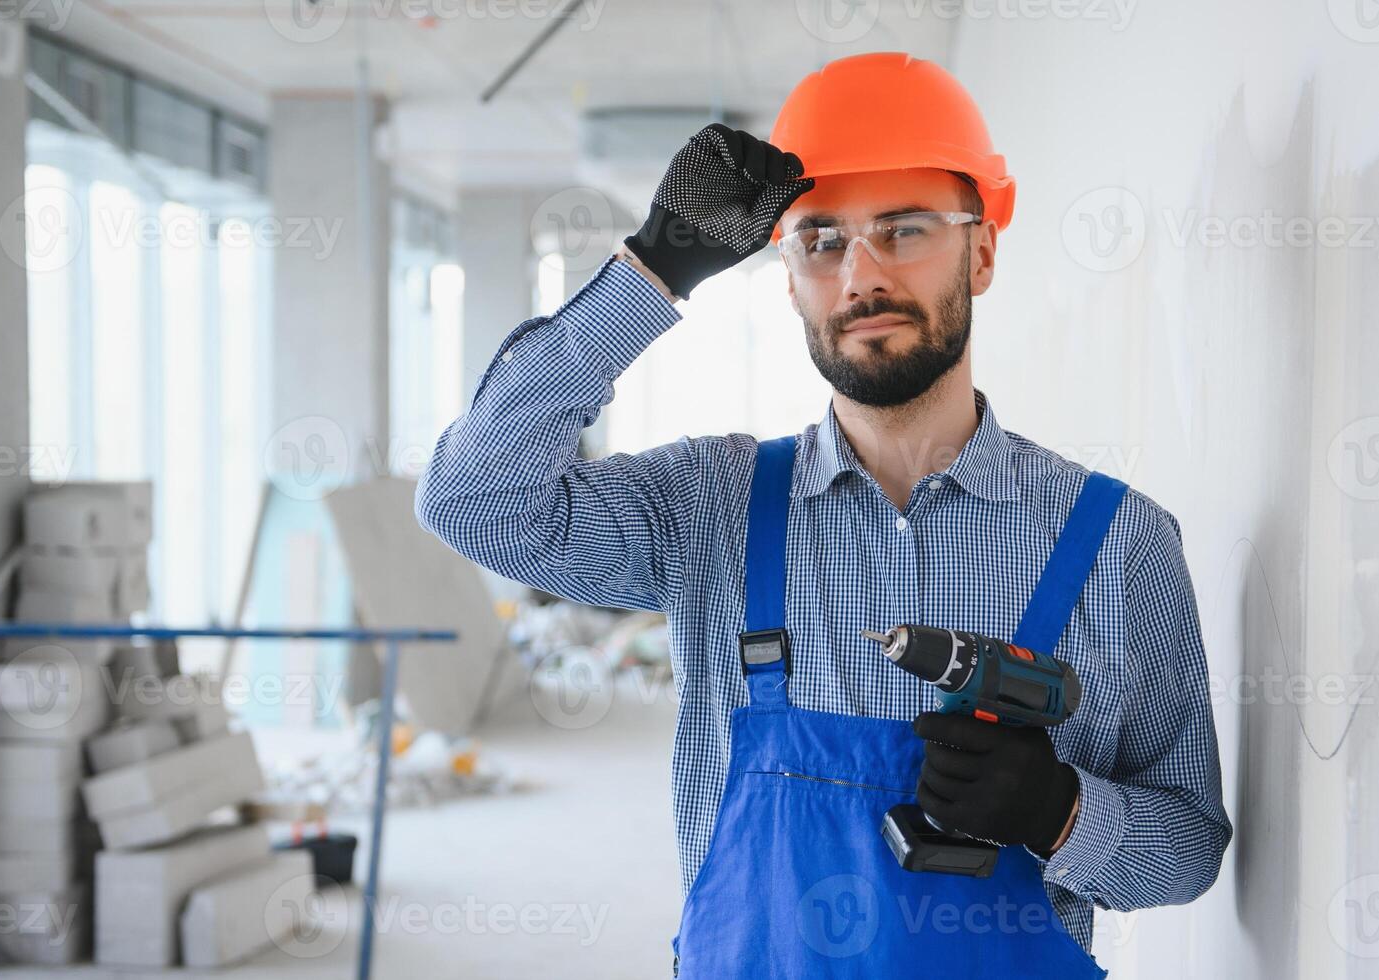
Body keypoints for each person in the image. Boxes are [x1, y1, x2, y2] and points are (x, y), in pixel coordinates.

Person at [416, 51, 1231, 977]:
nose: (860, 277)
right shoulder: (707, 509)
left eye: (905, 229)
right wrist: (652, 275)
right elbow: (473, 498)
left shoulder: (1117, 543)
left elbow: (1186, 850)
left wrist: (1061, 812)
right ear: (787, 277)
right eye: (821, 240)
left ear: (983, 250)